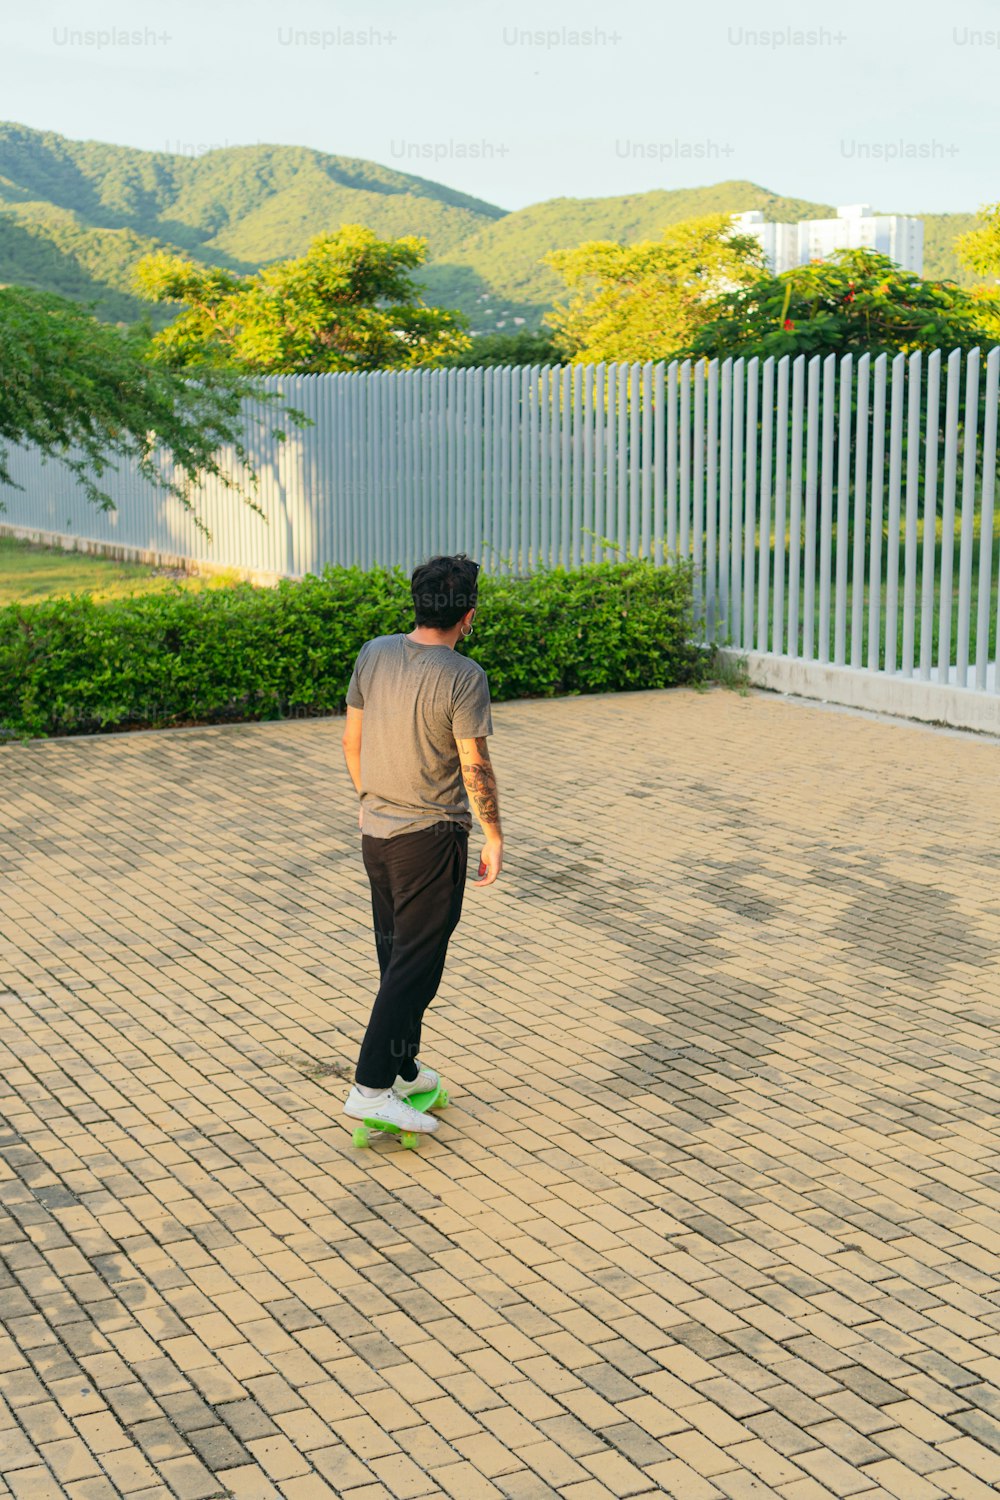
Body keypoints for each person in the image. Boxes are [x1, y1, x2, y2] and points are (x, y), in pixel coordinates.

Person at [340, 554, 503, 1136]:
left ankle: (403, 1070)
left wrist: (373, 798)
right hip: (429, 842)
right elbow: (474, 764)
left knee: (399, 959)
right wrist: (492, 833)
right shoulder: (464, 676)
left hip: (375, 836)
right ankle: (369, 1089)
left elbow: (351, 741)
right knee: (415, 967)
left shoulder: (375, 653)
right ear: (469, 616)